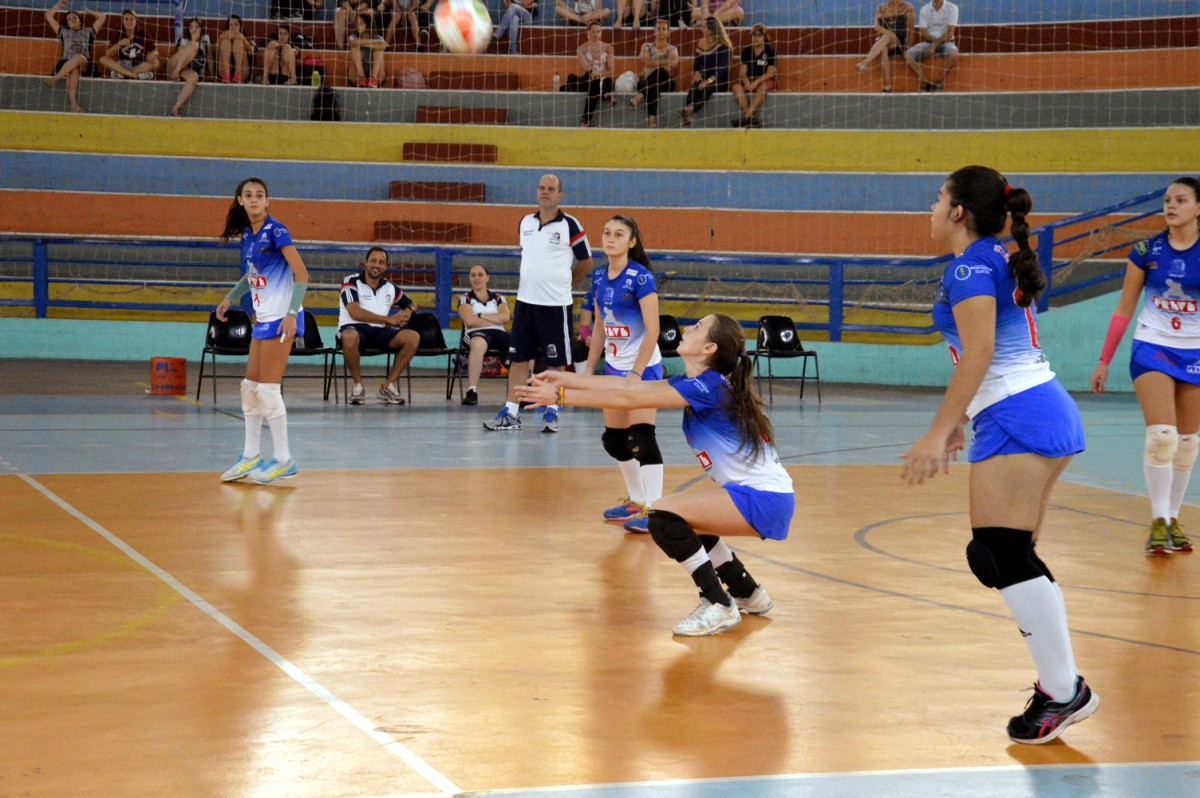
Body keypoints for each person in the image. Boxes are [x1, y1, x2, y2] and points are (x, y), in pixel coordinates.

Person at [901, 165, 1098, 744]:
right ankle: (1060, 686)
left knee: (1000, 553)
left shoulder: (969, 264)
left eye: (938, 198)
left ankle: (1064, 692)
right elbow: (981, 353)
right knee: (1006, 555)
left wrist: (938, 431)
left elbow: (983, 350)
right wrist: (962, 418)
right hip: (1027, 409)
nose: (932, 208)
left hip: (1020, 412)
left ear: (959, 210)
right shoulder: (991, 258)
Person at [516, 314, 791, 636]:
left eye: (698, 328)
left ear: (709, 348)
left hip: (763, 499)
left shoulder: (708, 387)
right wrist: (566, 380)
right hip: (769, 497)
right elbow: (629, 387)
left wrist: (561, 398)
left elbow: (629, 398)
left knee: (662, 516)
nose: (688, 329)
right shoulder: (703, 384)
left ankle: (717, 603)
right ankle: (747, 592)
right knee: (687, 518)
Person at [1090, 177, 1200, 556]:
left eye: (1181, 200)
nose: (1171, 205)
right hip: (1153, 347)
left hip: (1196, 353)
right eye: (1167, 200)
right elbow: (1124, 309)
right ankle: (1158, 521)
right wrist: (1104, 360)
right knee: (1163, 437)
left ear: (1198, 208)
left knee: (1187, 444)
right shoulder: (1146, 250)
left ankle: (1172, 518)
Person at [216, 177, 310, 485]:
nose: (254, 199)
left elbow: (302, 273)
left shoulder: (276, 231)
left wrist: (292, 314)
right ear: (241, 201)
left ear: (267, 201)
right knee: (250, 387)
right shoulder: (248, 235)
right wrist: (230, 298)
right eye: (248, 195)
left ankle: (283, 459)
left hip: (282, 318)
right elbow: (250, 275)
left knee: (268, 390)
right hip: (263, 319)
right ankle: (250, 455)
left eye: (260, 195)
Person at [484, 175, 593, 433]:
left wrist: (567, 286)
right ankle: (511, 412)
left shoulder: (571, 225)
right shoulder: (525, 222)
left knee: (556, 363)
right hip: (525, 304)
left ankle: (552, 412)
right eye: (542, 188)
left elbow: (586, 263)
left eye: (551, 189)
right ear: (536, 193)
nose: (546, 192)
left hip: (555, 307)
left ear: (560, 195)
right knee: (518, 359)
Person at [584, 215, 664, 533]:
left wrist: (636, 372)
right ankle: (636, 500)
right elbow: (601, 328)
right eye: (606, 232)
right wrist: (590, 369)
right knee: (615, 440)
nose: (611, 238)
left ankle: (656, 512)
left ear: (632, 242)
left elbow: (653, 329)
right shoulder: (599, 277)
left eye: (619, 234)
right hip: (616, 368)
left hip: (643, 367)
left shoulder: (641, 278)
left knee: (640, 437)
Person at [337, 247, 420, 406]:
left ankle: (388, 386)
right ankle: (358, 387)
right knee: (349, 337)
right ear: (366, 263)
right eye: (373, 261)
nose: (377, 265)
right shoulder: (351, 282)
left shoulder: (390, 287)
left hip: (380, 332)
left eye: (381, 262)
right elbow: (355, 313)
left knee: (412, 337)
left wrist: (408, 311)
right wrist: (388, 320)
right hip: (354, 329)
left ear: (386, 266)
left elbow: (412, 303)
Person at [457, 264, 512, 406]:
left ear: (487, 278)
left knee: (521, 342)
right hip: (475, 333)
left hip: (498, 333)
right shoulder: (465, 298)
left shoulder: (499, 297)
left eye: (480, 275)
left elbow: (505, 317)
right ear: (469, 279)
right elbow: (469, 320)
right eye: (473, 275)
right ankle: (472, 391)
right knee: (478, 344)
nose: (476, 278)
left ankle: (524, 389)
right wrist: (494, 319)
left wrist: (480, 316)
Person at [43, 0, 106, 114]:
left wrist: (88, 11)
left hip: (85, 63)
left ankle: (55, 78)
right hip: (67, 63)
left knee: (80, 57)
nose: (71, 20)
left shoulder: (89, 31)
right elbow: (48, 16)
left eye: (74, 17)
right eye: (69, 19)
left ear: (80, 20)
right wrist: (58, 5)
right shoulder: (63, 31)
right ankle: (73, 105)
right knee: (74, 71)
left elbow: (102, 17)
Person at [680, 15, 731, 127]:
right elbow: (697, 63)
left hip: (719, 80)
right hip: (704, 77)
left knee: (707, 88)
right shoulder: (702, 42)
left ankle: (689, 109)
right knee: (694, 87)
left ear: (712, 30)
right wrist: (696, 74)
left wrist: (708, 81)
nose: (702, 30)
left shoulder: (724, 46)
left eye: (704, 27)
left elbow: (722, 70)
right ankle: (687, 115)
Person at [855, 0, 915, 93]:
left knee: (885, 40)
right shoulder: (881, 8)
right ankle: (888, 84)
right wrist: (891, 34)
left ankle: (865, 62)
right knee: (884, 45)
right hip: (885, 41)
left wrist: (909, 48)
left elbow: (911, 29)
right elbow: (877, 27)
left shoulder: (908, 7)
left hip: (899, 43)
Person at [629, 18, 678, 129]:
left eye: (664, 29)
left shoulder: (673, 49)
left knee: (660, 72)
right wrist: (664, 62)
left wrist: (652, 68)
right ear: (654, 31)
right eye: (658, 28)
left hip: (666, 82)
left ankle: (641, 95)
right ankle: (652, 118)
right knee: (654, 86)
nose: (660, 31)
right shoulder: (646, 46)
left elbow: (672, 67)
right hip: (646, 81)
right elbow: (646, 61)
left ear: (668, 32)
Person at [569, 20, 615, 128]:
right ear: (588, 33)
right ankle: (606, 94)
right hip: (588, 78)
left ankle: (585, 120)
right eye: (593, 32)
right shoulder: (581, 49)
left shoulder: (608, 48)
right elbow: (585, 66)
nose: (596, 34)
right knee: (592, 76)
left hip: (603, 79)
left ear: (601, 33)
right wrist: (594, 71)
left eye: (598, 31)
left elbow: (610, 71)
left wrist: (599, 74)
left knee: (599, 81)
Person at [904, 0, 959, 92]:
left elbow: (949, 34)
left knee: (954, 54)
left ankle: (939, 82)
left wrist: (935, 44)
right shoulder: (924, 9)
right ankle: (925, 82)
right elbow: (923, 33)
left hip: (946, 42)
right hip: (928, 42)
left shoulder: (952, 8)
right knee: (907, 55)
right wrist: (933, 43)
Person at [729, 23, 775, 128]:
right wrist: (746, 82)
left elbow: (770, 73)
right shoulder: (746, 51)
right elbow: (742, 72)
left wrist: (756, 82)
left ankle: (745, 118)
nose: (756, 38)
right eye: (754, 35)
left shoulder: (770, 50)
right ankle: (750, 117)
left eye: (759, 35)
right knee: (736, 87)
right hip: (750, 80)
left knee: (762, 88)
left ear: (765, 37)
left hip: (764, 80)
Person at [98, 8, 158, 80]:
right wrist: (119, 44)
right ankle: (135, 76)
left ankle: (124, 74)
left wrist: (151, 54)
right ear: (122, 21)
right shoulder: (118, 34)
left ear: (136, 21)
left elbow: (155, 51)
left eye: (132, 19)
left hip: (139, 65)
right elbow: (107, 54)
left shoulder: (143, 33)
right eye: (126, 19)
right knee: (103, 59)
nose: (129, 21)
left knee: (156, 62)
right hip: (122, 64)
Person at [168, 17, 210, 116]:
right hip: (174, 66)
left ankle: (175, 108)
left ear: (201, 29)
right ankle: (175, 73)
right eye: (191, 27)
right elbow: (180, 57)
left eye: (197, 27)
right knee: (194, 46)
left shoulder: (205, 40)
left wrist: (212, 74)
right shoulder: (183, 40)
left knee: (194, 77)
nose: (193, 29)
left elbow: (210, 57)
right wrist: (193, 41)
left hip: (188, 70)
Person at [348, 13, 387, 87]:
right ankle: (361, 78)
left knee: (379, 50)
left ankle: (373, 78)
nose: (358, 26)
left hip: (377, 71)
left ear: (368, 25)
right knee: (355, 47)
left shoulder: (378, 37)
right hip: (357, 72)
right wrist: (374, 42)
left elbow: (383, 47)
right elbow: (352, 41)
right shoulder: (354, 36)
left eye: (361, 23)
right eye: (357, 23)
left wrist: (363, 43)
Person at [216, 14, 256, 83]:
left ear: (241, 27)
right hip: (223, 71)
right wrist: (220, 38)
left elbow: (251, 51)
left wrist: (242, 38)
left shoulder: (249, 40)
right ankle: (227, 73)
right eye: (230, 25)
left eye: (236, 24)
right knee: (225, 42)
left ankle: (237, 74)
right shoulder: (222, 38)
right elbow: (215, 53)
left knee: (238, 41)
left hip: (243, 72)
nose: (233, 27)